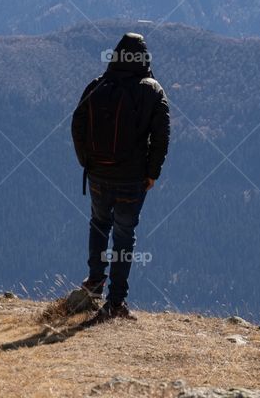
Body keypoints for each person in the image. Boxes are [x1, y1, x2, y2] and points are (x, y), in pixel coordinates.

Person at [71, 33, 170, 320]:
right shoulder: (152, 90)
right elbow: (161, 136)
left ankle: (94, 282)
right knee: (124, 237)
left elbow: (77, 124)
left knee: (99, 224)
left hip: (98, 174)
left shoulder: (97, 84)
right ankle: (115, 303)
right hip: (132, 178)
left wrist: (86, 162)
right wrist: (152, 173)